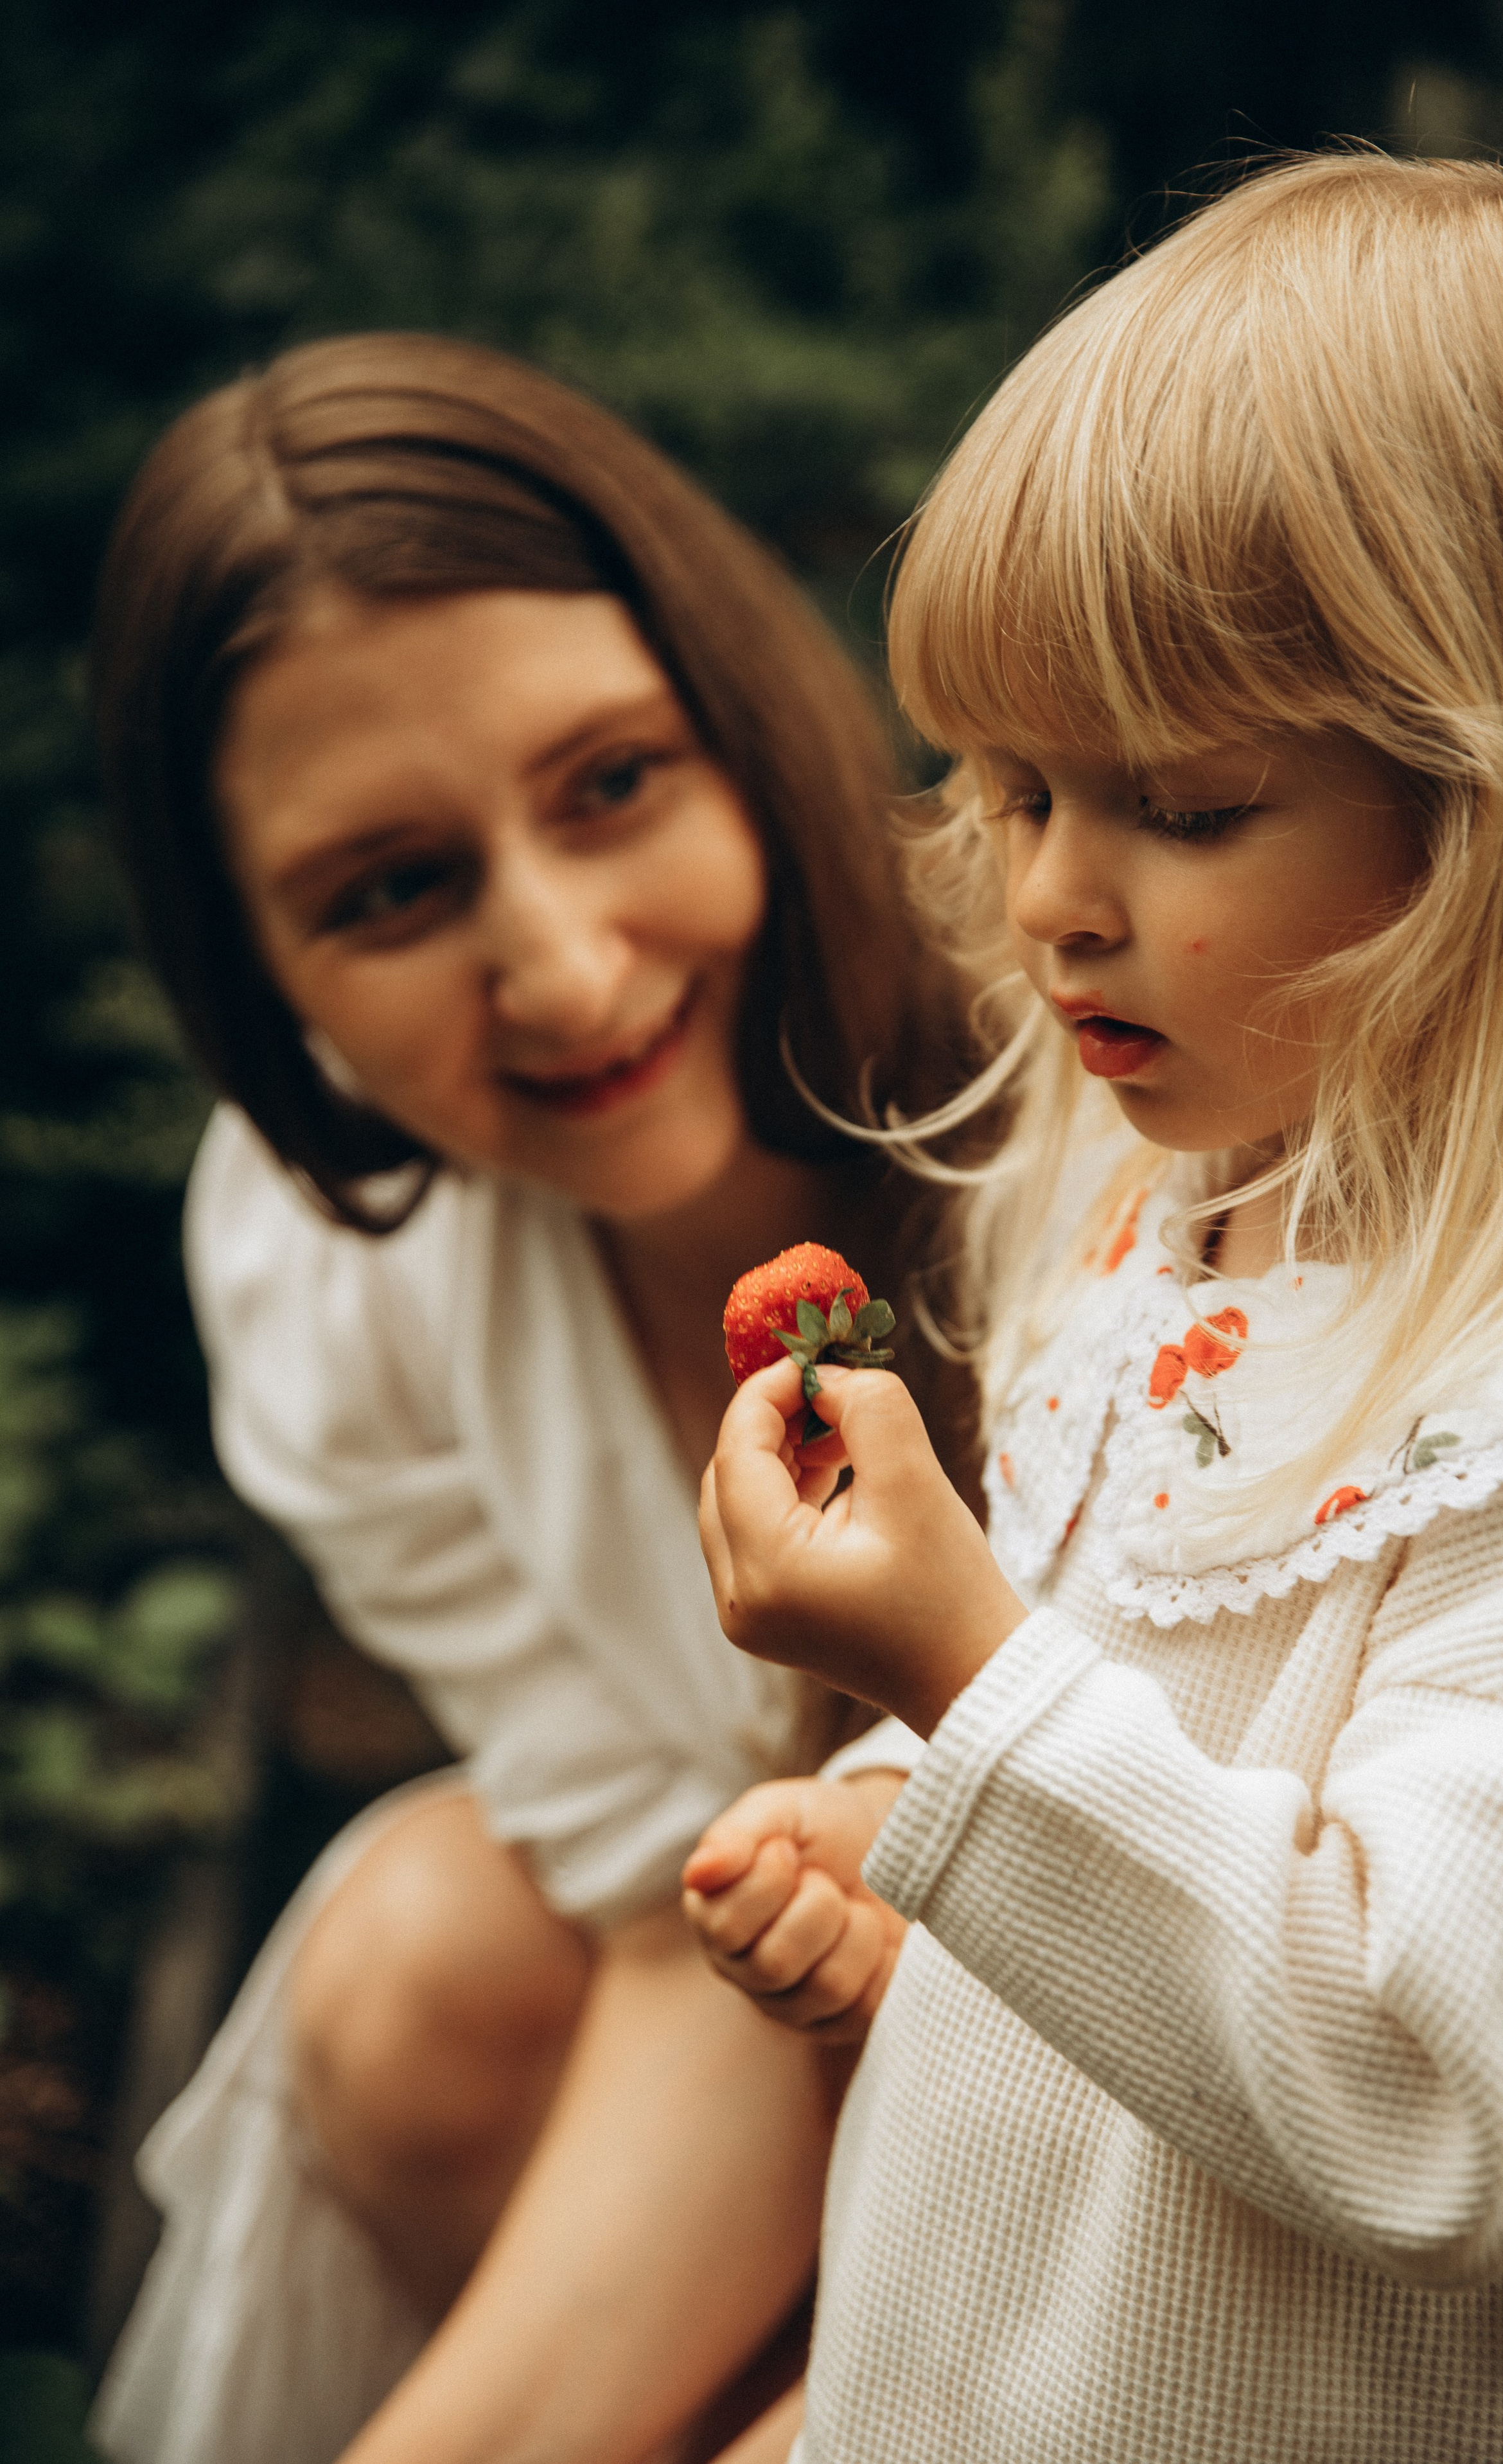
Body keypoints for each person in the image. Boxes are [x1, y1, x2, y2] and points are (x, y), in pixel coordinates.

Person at [687, 154, 1503, 2461]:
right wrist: (901, 1804)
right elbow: (1121, 1696)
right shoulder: (1173, 1193)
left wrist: (958, 1681)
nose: (1049, 898)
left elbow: (1423, 2091)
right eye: (1009, 788)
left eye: (1182, 803)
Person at [86, 332, 972, 2464]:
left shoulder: (1109, 1067)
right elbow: (683, 1925)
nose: (566, 971)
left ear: (741, 718)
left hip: (1251, 2061)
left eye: (611, 782)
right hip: (809, 2041)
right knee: (411, 1971)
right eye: (390, 891)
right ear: (253, 966)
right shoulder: (334, 1271)